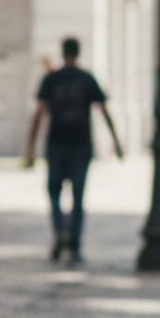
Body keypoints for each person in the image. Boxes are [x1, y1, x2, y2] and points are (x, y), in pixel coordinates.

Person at [24, 37, 123, 261]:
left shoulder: (52, 79)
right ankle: (74, 241)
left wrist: (30, 146)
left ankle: (60, 230)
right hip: (81, 144)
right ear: (78, 53)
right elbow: (104, 110)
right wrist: (116, 142)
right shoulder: (86, 78)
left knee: (54, 192)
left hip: (56, 143)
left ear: (63, 52)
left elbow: (39, 113)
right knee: (78, 196)